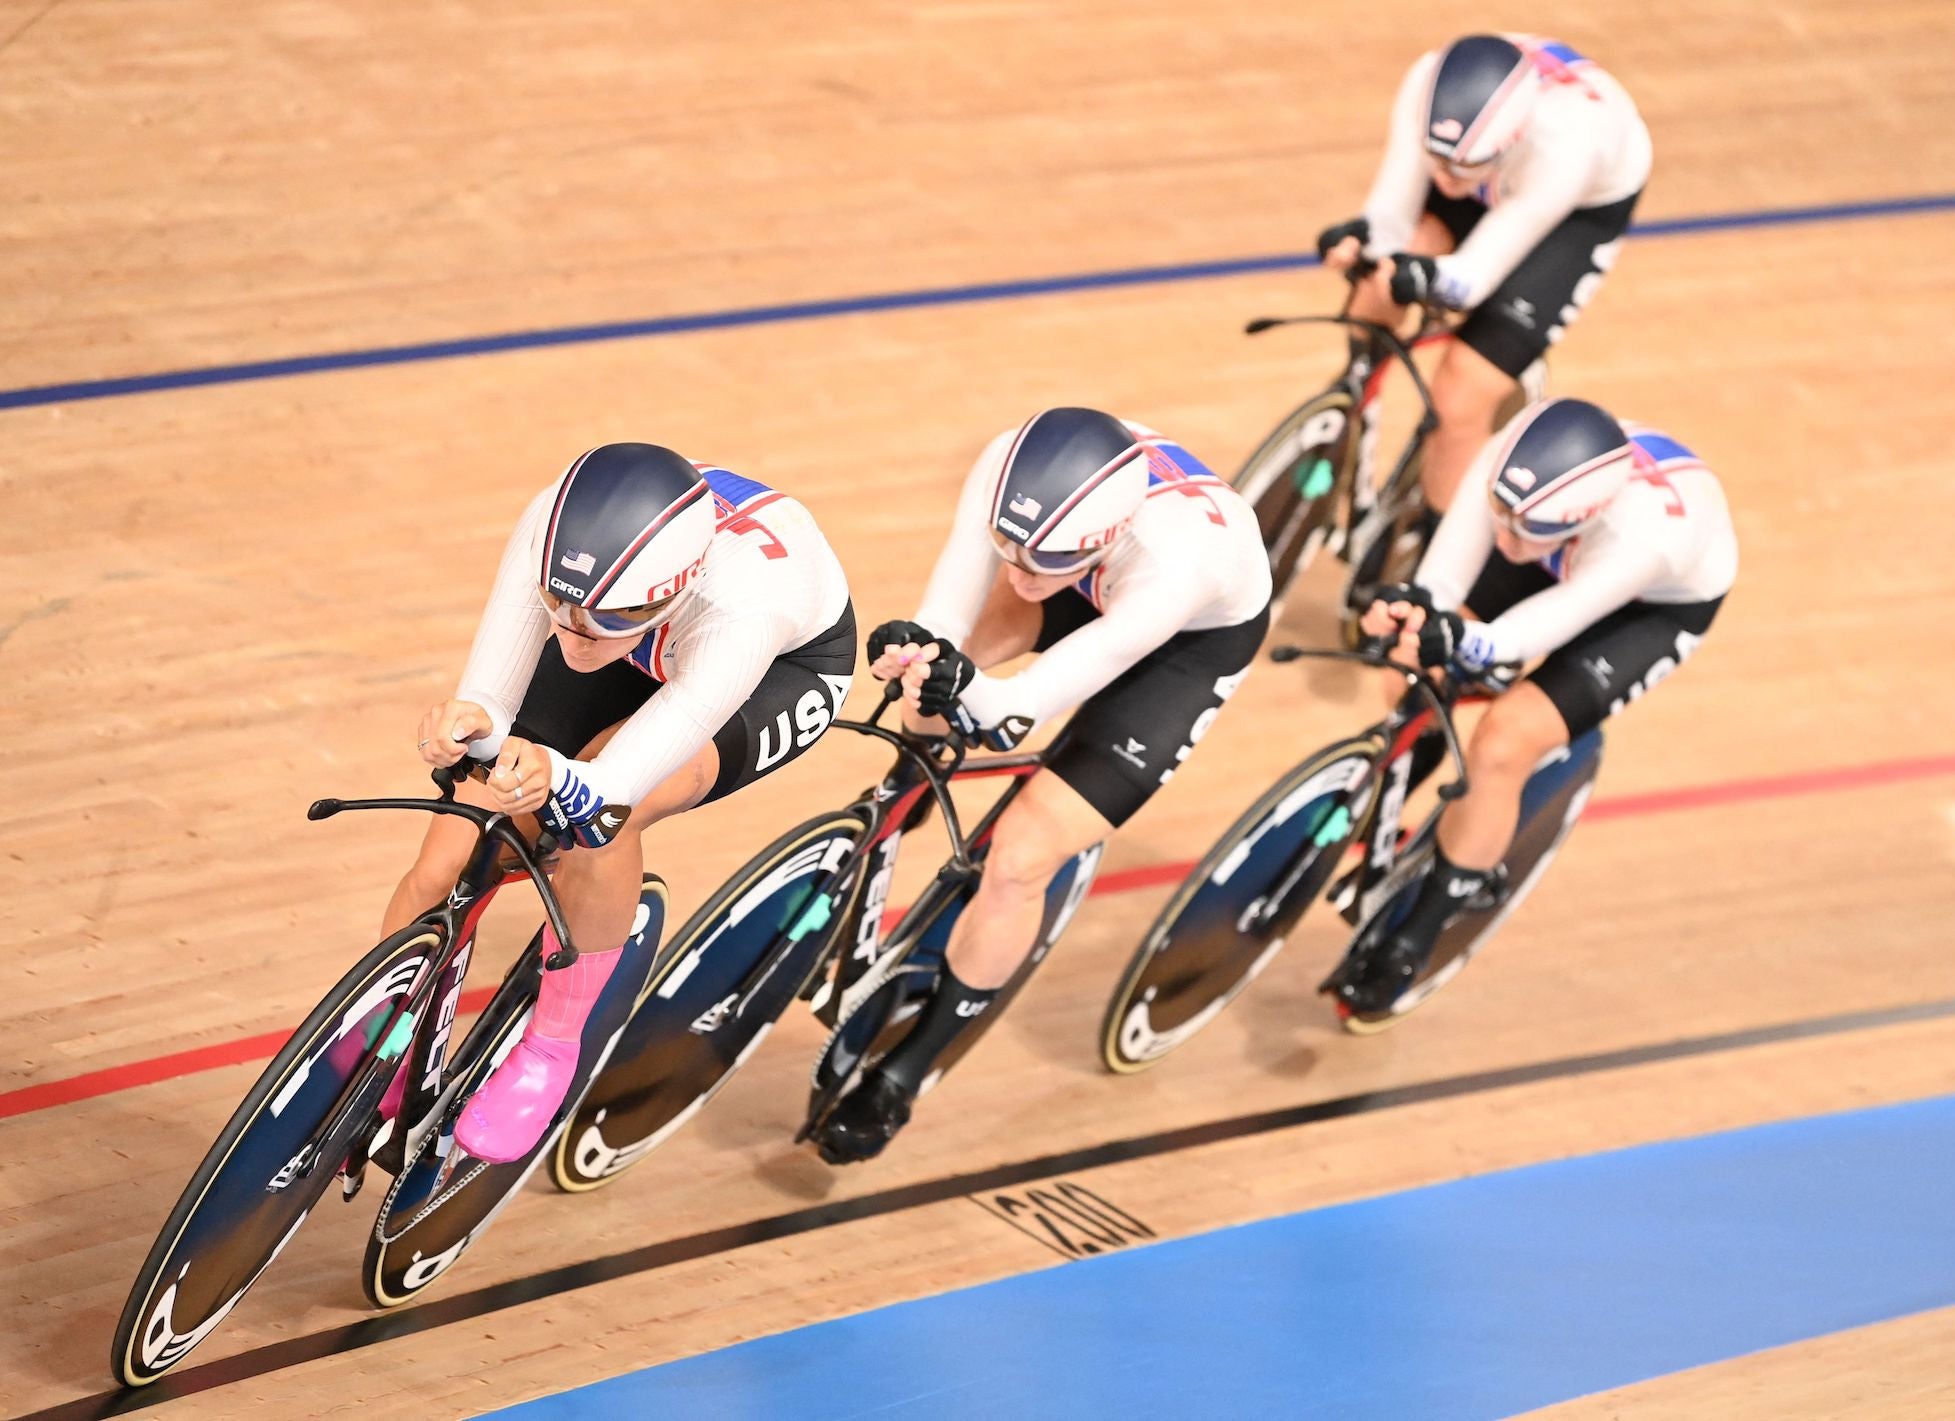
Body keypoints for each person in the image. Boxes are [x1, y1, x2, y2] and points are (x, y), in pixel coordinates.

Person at [814, 408, 1273, 1164]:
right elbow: (950, 613)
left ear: (1101, 536)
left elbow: (1024, 703)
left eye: (1037, 558)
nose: (1016, 571)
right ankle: (911, 784)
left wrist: (981, 696)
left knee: (1022, 856)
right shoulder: (1010, 469)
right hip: (1083, 576)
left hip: (1186, 644)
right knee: (937, 669)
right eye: (1009, 547)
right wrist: (925, 649)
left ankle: (909, 1067)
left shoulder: (1178, 562)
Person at [386, 442, 856, 1161]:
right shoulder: (554, 534)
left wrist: (558, 776)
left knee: (599, 820)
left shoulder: (747, 608)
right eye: (558, 604)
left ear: (665, 592)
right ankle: (380, 1028)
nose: (570, 628)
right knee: (450, 847)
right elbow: (491, 698)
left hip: (773, 671)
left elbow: (613, 784)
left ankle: (551, 1047)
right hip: (637, 634)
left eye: (595, 613)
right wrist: (471, 726)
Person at [1337, 396, 1736, 1012]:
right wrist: (1416, 611)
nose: (1502, 538)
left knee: (1503, 741)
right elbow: (1441, 584)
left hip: (1649, 606)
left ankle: (1427, 924)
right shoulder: (1509, 468)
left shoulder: (1644, 539)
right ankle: (1409, 774)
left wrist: (1471, 640)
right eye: (1498, 516)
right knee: (1412, 667)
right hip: (1558, 540)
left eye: (1521, 531)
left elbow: (1532, 632)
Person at [1316, 34, 1652, 522]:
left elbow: (1473, 278)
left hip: (1572, 210)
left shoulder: (1568, 146)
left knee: (1461, 395)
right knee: (1379, 281)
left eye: (1463, 167)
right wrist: (1360, 240)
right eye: (1439, 160)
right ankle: (1353, 398)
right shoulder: (1424, 85)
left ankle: (1434, 539)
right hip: (1492, 160)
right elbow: (1389, 214)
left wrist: (1423, 275)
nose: (1448, 178)